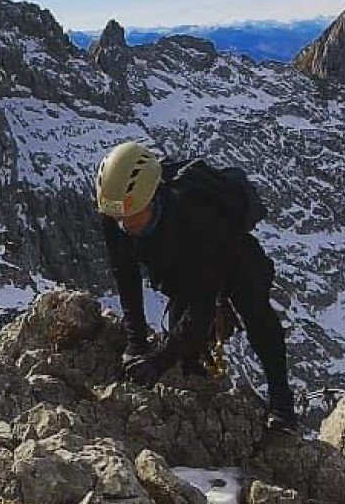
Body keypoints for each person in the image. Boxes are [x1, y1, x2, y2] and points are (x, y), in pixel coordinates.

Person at [95, 140, 300, 431]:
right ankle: (198, 392)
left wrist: (158, 361)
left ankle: (282, 404)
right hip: (178, 265)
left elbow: (200, 305)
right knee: (187, 352)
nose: (125, 226)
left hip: (230, 256)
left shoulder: (195, 215)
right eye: (119, 219)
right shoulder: (116, 211)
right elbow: (125, 274)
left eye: (132, 218)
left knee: (257, 316)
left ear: (152, 198)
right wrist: (136, 342)